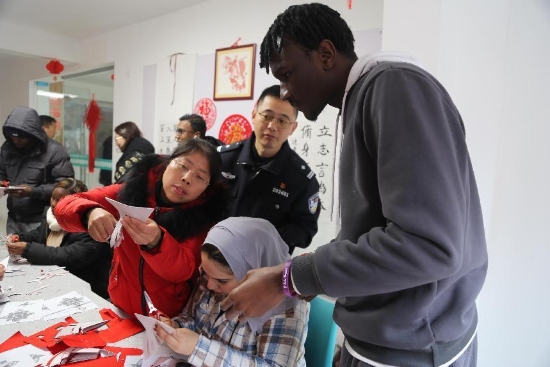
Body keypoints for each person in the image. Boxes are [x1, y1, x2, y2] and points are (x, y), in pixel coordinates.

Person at [220, 4, 488, 367]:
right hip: (386, 339)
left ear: (326, 54)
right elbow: (373, 230)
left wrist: (289, 279)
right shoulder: (365, 98)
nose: (284, 93)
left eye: (287, 74)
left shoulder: (394, 86)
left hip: (412, 349)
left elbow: (427, 244)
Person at [55, 139, 229, 318]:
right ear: (167, 162)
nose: (187, 178)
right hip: (120, 305)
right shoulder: (132, 191)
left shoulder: (203, 219)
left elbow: (183, 270)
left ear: (208, 188)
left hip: (166, 318)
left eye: (200, 177)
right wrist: (89, 212)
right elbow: (64, 206)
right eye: (183, 166)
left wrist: (157, 242)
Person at [155, 217, 309, 367]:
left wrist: (198, 347)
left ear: (252, 274)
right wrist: (176, 326)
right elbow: (192, 318)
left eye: (222, 281)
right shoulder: (211, 278)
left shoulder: (287, 308)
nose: (208, 285)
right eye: (204, 273)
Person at [217, 85, 320, 254]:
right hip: (214, 257)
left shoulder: (301, 179)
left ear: (293, 128)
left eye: (282, 121)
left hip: (263, 267)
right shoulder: (223, 160)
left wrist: (265, 239)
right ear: (254, 114)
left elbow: (305, 230)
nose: (272, 126)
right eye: (267, 116)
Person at [6, 178, 111, 299]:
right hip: (56, 280)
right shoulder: (53, 216)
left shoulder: (89, 227)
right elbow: (39, 234)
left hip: (88, 290)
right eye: (53, 197)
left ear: (75, 203)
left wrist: (27, 249)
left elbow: (67, 256)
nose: (54, 203)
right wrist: (20, 237)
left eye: (60, 200)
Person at [0, 107, 74, 234]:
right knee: (13, 253)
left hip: (41, 219)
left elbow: (67, 186)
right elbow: (2, 173)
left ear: (32, 134)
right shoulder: (7, 148)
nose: (16, 140)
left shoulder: (55, 151)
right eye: (13, 136)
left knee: (35, 253)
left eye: (22, 137)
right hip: (13, 218)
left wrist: (32, 191)